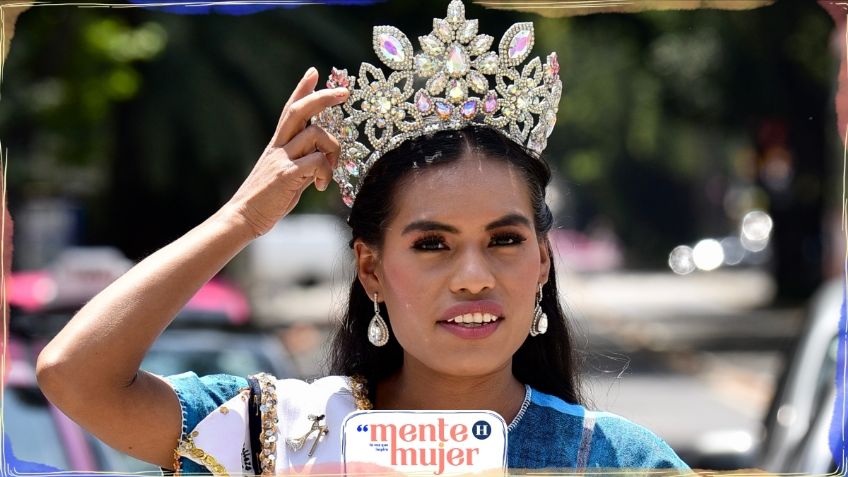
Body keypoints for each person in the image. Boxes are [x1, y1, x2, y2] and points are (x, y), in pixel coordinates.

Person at [36, 1, 690, 474]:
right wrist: (241, 219)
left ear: (543, 262)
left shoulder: (619, 460)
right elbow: (75, 376)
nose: (472, 275)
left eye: (505, 240)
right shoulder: (279, 436)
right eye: (432, 244)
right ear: (371, 269)